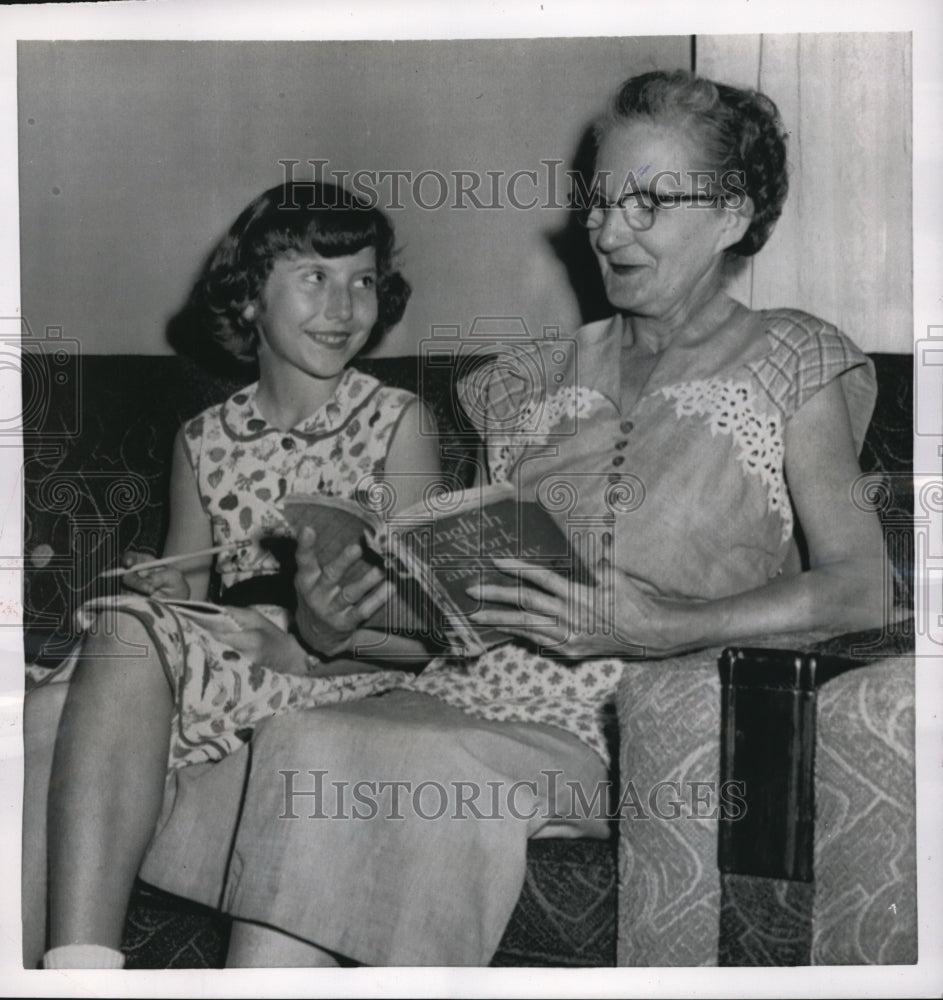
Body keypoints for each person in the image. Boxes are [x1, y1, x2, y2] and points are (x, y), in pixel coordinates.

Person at [30, 67, 889, 969]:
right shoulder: (520, 381)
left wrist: (667, 623)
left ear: (730, 215)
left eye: (647, 203)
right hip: (456, 693)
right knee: (303, 732)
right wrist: (337, 621)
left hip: (627, 717)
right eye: (599, 202)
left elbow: (863, 586)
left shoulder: (792, 356)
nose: (606, 230)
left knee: (349, 756)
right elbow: (447, 622)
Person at [22, 181, 441, 969]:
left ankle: (81, 971)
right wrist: (161, 587)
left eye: (361, 279)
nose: (344, 304)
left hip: (336, 667)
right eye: (314, 277)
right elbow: (190, 585)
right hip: (225, 652)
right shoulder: (201, 438)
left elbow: (426, 628)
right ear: (249, 299)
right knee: (45, 712)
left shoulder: (396, 421)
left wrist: (306, 649)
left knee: (101, 659)